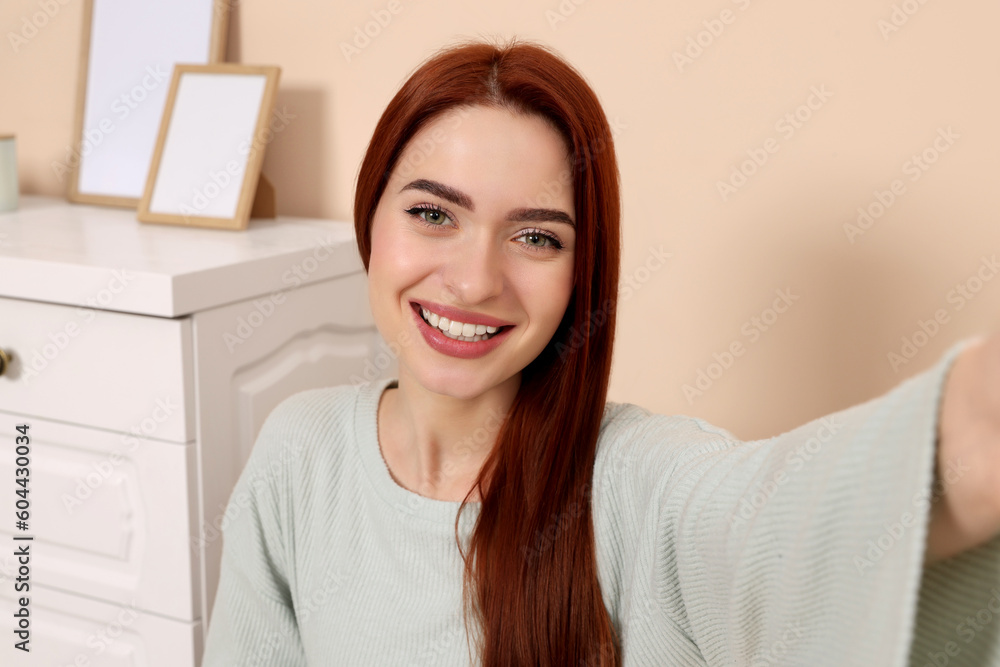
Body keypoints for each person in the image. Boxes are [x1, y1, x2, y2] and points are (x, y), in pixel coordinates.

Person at [201, 38, 1000, 666]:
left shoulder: (637, 481)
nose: (474, 280)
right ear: (369, 219)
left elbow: (814, 514)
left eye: (536, 236)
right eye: (434, 214)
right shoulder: (297, 453)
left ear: (581, 273)